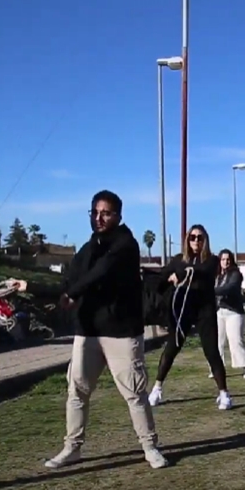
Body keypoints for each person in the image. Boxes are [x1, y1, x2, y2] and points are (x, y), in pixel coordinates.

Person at [43, 190, 168, 470]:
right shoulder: (88, 247)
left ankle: (150, 446)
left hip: (121, 332)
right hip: (88, 330)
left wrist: (73, 294)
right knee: (77, 390)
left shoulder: (126, 244)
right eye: (95, 212)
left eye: (106, 213)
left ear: (118, 216)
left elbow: (101, 272)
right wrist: (43, 290)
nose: (99, 218)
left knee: (134, 392)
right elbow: (72, 278)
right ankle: (71, 448)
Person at [148, 225, 233, 410]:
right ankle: (157, 388)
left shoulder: (212, 260)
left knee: (211, 351)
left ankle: (224, 393)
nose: (196, 241)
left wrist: (180, 274)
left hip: (205, 311)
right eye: (193, 237)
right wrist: (167, 279)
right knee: (172, 348)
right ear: (187, 240)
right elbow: (161, 278)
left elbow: (200, 273)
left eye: (200, 238)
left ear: (205, 240)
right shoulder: (178, 260)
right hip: (183, 312)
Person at [215, 249, 245, 379]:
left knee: (236, 340)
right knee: (217, 342)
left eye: (228, 259)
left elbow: (229, 288)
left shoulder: (236, 274)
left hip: (234, 313)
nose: (225, 262)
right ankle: (216, 369)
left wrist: (211, 291)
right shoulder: (217, 275)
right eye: (223, 259)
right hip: (219, 312)